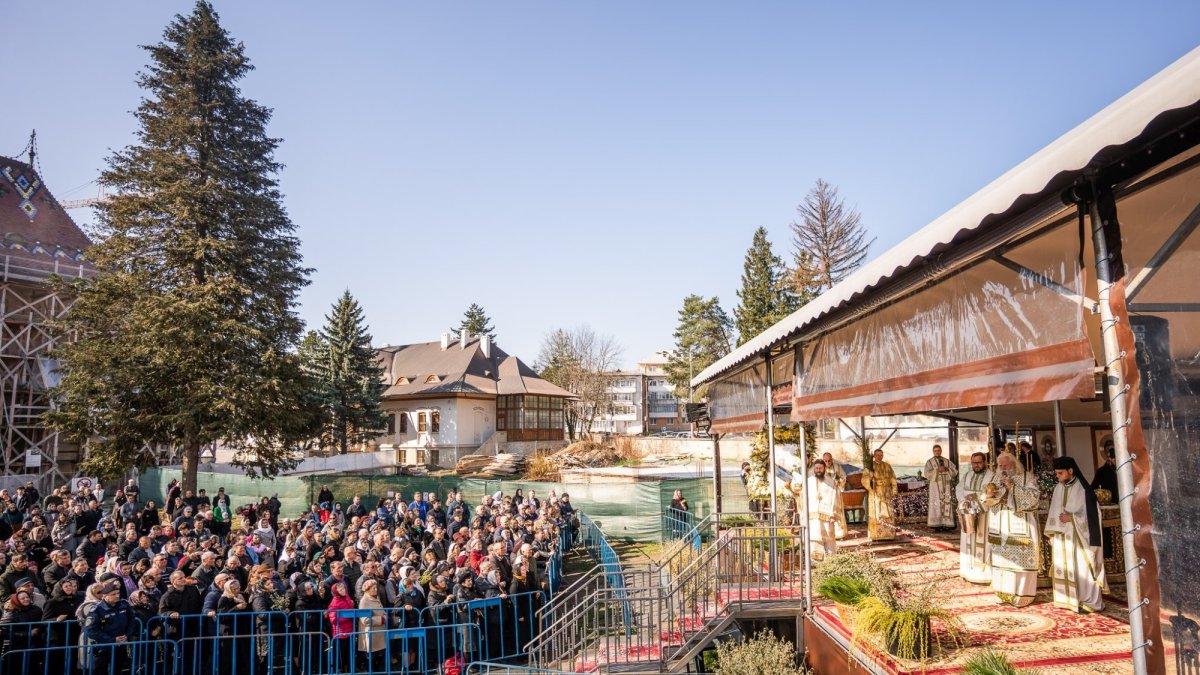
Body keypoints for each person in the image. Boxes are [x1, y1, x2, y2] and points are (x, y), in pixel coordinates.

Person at [1046, 457, 1106, 613]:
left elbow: (1094, 516)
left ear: (1071, 471)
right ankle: (1068, 599)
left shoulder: (1084, 490)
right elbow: (1053, 511)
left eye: (1060, 473)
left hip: (1080, 538)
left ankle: (1090, 601)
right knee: (1066, 568)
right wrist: (1052, 533)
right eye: (1056, 473)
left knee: (1083, 569)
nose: (1057, 477)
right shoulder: (1058, 488)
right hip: (1062, 537)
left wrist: (1072, 518)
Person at [988, 451, 1041, 607]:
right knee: (1002, 561)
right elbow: (987, 497)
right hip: (1000, 527)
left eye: (1005, 465)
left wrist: (1013, 487)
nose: (1002, 469)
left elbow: (1033, 498)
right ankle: (1003, 593)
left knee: (1020, 563)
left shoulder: (1027, 477)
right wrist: (990, 494)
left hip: (1021, 527)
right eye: (1000, 466)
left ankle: (1022, 595)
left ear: (1014, 464)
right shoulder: (995, 478)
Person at [956, 452, 994, 584]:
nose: (976, 465)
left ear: (985, 462)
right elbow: (959, 489)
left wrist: (977, 499)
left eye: (978, 462)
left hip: (984, 514)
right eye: (973, 463)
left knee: (984, 542)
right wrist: (963, 501)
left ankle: (984, 575)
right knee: (968, 540)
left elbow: (992, 494)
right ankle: (968, 571)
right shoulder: (967, 475)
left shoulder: (991, 476)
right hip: (968, 512)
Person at [804, 459, 839, 561]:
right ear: (814, 469)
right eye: (816, 468)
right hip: (812, 516)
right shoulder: (808, 481)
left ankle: (830, 562)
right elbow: (804, 498)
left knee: (828, 539)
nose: (818, 470)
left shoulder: (831, 482)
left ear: (824, 468)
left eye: (820, 468)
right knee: (815, 538)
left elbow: (835, 499)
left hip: (827, 516)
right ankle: (816, 562)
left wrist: (833, 514)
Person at [861, 449, 898, 541]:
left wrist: (894, 490)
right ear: (874, 456)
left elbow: (893, 478)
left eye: (881, 455)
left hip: (887, 492)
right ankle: (876, 534)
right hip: (875, 492)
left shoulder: (887, 466)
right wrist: (870, 476)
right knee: (877, 513)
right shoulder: (870, 467)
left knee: (888, 512)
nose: (879, 457)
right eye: (877, 455)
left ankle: (889, 534)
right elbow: (863, 480)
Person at [923, 444, 955, 530]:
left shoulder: (947, 461)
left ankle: (947, 523)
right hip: (935, 487)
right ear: (933, 452)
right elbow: (926, 473)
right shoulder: (929, 462)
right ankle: (937, 524)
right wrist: (937, 470)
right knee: (936, 503)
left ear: (941, 451)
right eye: (935, 451)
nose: (937, 452)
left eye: (938, 450)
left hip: (946, 486)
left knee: (947, 502)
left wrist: (947, 469)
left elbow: (954, 471)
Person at [821, 452, 848, 539]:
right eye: (825, 461)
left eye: (829, 461)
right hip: (824, 494)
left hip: (835, 493)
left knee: (836, 511)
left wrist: (839, 481)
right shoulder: (820, 467)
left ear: (832, 459)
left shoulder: (837, 466)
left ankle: (838, 533)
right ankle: (826, 533)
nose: (827, 463)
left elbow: (843, 476)